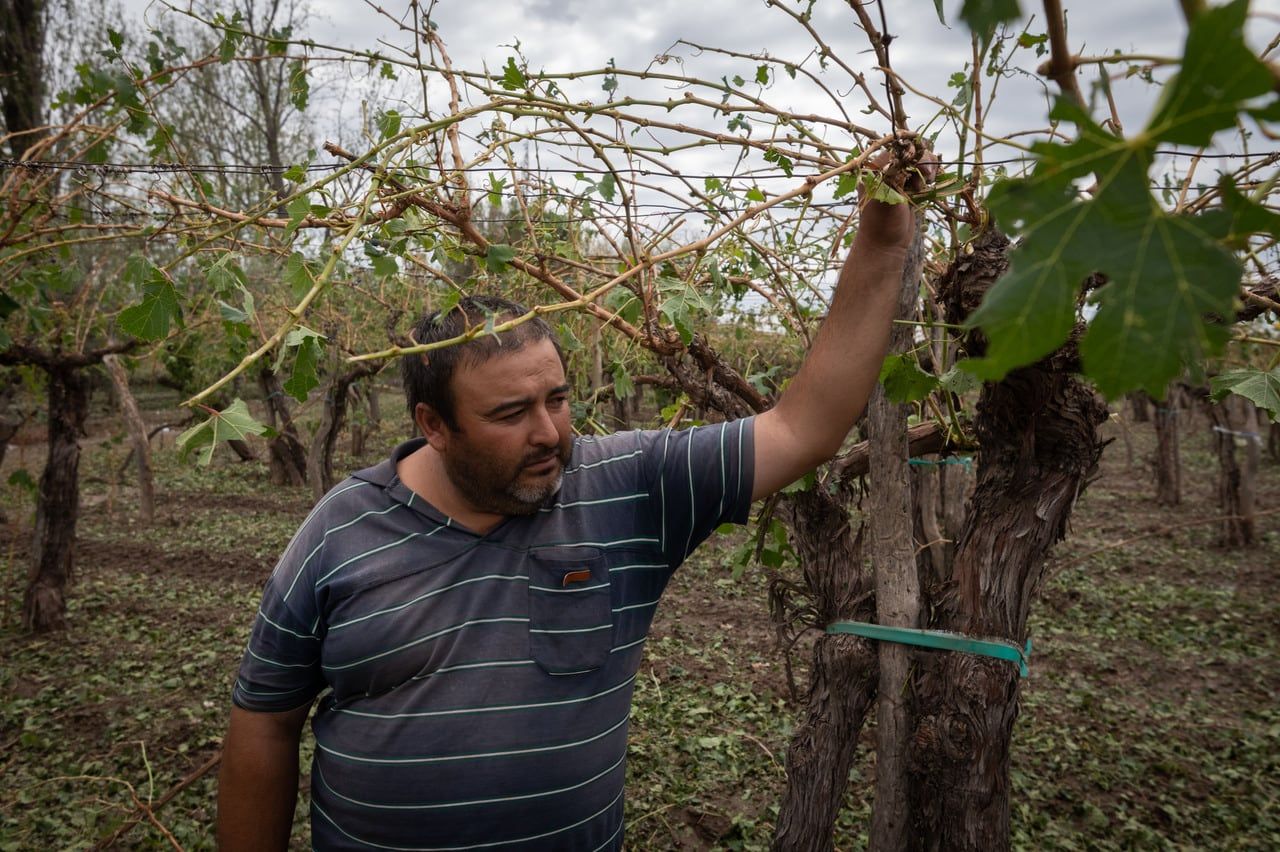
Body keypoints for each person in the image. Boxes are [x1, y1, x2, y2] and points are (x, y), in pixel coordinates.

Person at [217, 158, 928, 850]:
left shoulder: (629, 486)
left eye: (557, 398)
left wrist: (882, 241)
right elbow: (266, 722)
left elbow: (802, 429)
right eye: (510, 413)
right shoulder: (339, 530)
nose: (550, 432)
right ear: (432, 425)